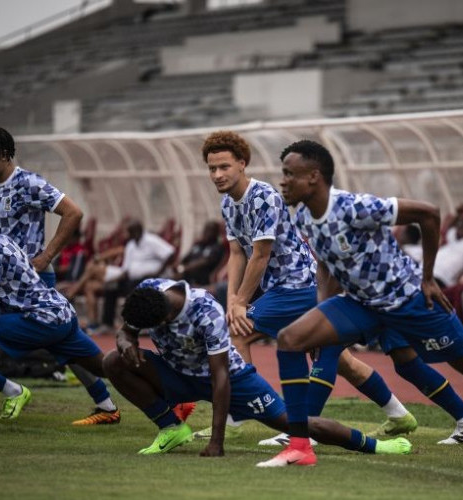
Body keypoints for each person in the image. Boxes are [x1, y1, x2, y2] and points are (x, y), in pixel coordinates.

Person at [267, 139, 463, 468]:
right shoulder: (304, 216)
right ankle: (299, 445)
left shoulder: (354, 207)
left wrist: (428, 278)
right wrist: (322, 313)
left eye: (289, 174)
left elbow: (428, 213)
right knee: (291, 339)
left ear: (313, 177)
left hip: (408, 300)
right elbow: (326, 266)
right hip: (362, 304)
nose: (283, 181)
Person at [201, 130, 421, 445]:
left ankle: (243, 410)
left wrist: (239, 305)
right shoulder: (228, 202)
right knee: (340, 361)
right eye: (212, 168)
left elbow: (260, 255)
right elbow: (237, 252)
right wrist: (233, 299)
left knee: (238, 331)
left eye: (224, 167)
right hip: (284, 286)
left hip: (297, 283)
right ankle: (399, 414)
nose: (218, 174)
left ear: (242, 164)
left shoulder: (263, 195)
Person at [102, 278, 412, 461]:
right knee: (113, 361)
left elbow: (220, 377)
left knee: (298, 424)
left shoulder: (205, 311)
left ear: (168, 317)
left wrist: (217, 441)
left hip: (231, 380)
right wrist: (125, 339)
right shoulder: (149, 293)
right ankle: (171, 428)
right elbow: (126, 328)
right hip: (177, 372)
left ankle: (379, 446)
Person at [0, 127, 119, 425]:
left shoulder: (28, 183)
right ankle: (106, 403)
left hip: (33, 281)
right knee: (67, 346)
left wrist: (47, 255)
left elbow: (73, 212)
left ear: (3, 154)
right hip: (7, 282)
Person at [0, 201, 116, 433]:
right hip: (61, 313)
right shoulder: (3, 240)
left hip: (39, 319)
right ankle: (167, 397)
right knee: (107, 367)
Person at [66, 219, 176, 333]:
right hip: (129, 277)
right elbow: (126, 269)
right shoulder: (131, 245)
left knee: (96, 271)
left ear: (139, 230)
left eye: (132, 231)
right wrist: (113, 278)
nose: (130, 234)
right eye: (130, 232)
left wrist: (159, 271)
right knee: (110, 286)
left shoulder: (151, 240)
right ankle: (107, 323)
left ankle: (71, 293)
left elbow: (170, 253)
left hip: (150, 278)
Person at [174, 220, 226, 286]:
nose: (207, 233)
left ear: (216, 233)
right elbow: (186, 257)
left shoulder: (217, 247)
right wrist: (178, 264)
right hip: (185, 275)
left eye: (210, 231)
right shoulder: (198, 245)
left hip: (201, 281)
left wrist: (183, 269)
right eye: (206, 230)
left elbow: (204, 261)